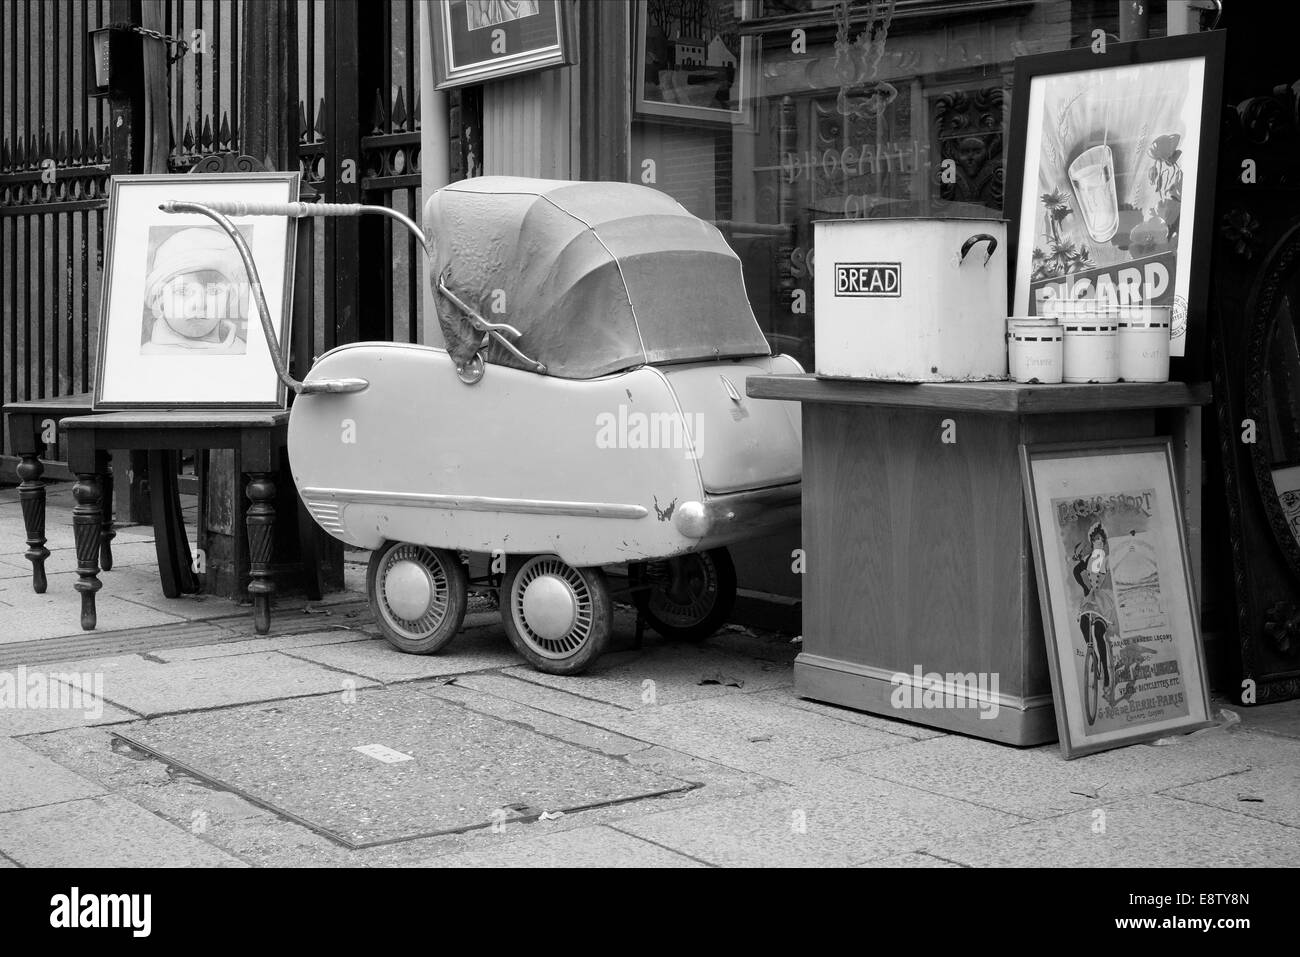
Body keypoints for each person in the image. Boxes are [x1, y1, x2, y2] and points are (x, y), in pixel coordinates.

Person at [141, 227, 249, 355]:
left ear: (229, 298)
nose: (199, 305)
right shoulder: (145, 355)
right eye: (181, 291)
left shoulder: (241, 351)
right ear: (160, 299)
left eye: (214, 291)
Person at [1072, 522, 1118, 692]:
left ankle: (1105, 672)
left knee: (1099, 633)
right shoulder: (1088, 558)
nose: (1098, 542)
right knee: (1084, 623)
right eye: (1095, 539)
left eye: (1101, 540)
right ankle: (1094, 658)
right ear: (1092, 541)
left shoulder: (1105, 559)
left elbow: (1116, 563)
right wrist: (1085, 588)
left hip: (1103, 601)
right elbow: (1077, 571)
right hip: (1090, 598)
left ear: (1104, 542)